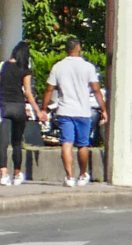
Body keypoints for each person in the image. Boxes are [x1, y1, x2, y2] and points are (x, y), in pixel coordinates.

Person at [45, 38, 106, 186]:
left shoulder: (58, 67)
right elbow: (96, 90)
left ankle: (70, 177)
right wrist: (104, 109)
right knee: (83, 144)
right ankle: (83, 174)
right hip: (83, 111)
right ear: (78, 48)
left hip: (65, 110)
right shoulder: (88, 67)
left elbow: (49, 89)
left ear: (66, 49)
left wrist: (43, 108)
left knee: (66, 143)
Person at [0, 41, 43, 186]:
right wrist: (37, 110)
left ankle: (3, 174)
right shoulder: (24, 70)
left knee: (2, 143)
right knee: (16, 143)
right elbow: (28, 93)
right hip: (19, 107)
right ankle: (17, 173)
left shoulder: (4, 66)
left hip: (4, 107)